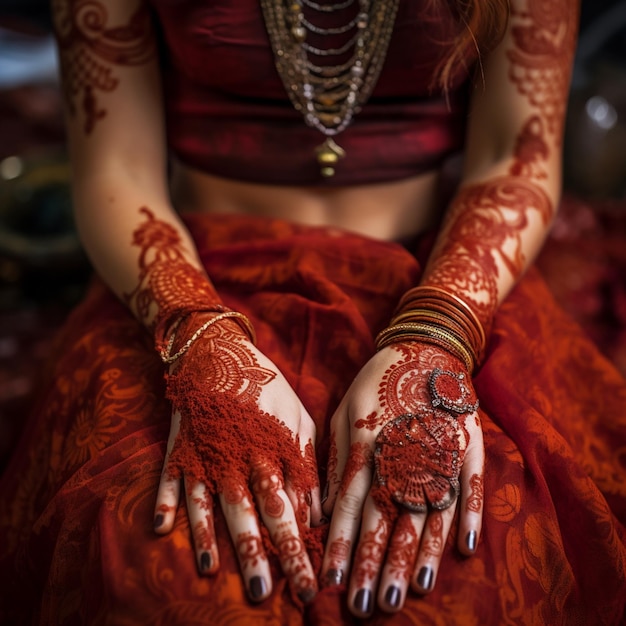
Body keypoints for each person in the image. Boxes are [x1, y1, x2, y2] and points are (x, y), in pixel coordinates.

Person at [1, 0, 625, 624]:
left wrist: (435, 336)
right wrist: (200, 338)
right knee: (171, 574)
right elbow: (115, 166)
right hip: (190, 274)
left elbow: (517, 157)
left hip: (442, 271)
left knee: (468, 572)